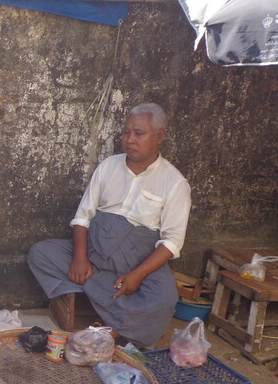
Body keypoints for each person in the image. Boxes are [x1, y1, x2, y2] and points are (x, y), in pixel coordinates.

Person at [27, 103, 191, 348]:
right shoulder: (108, 167)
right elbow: (83, 217)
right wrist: (80, 259)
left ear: (160, 136)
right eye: (126, 133)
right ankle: (118, 317)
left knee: (165, 297)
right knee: (40, 253)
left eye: (138, 133)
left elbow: (172, 242)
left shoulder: (175, 183)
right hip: (94, 254)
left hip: (136, 262)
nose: (129, 140)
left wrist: (137, 275)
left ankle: (104, 303)